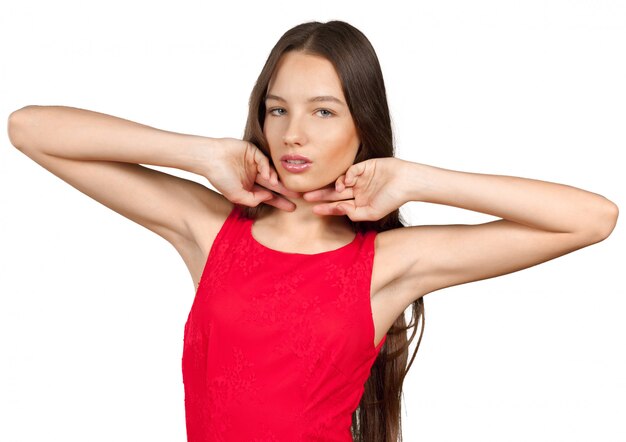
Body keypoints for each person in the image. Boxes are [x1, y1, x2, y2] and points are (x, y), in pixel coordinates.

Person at [7, 19, 618, 442]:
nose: (293, 132)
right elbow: (30, 127)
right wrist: (200, 153)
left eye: (323, 111)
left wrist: (418, 179)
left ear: (362, 123)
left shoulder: (387, 264)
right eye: (278, 109)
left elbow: (592, 218)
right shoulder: (211, 229)